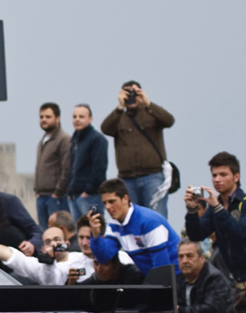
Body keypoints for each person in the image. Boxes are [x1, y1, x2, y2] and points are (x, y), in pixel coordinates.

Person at [100, 81, 175, 218]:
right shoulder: (119, 117)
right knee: (131, 218)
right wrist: (120, 107)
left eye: (134, 92)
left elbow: (169, 120)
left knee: (156, 217)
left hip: (153, 176)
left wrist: (147, 103)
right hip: (127, 179)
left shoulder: (151, 113)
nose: (131, 96)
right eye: (127, 93)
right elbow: (105, 128)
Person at [184, 152, 246, 299]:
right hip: (236, 283)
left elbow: (239, 234)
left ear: (236, 177)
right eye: (214, 175)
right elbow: (196, 235)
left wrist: (218, 207)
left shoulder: (243, 203)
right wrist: (192, 210)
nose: (217, 179)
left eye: (223, 174)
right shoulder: (214, 208)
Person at [88, 178, 179, 274]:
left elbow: (161, 267)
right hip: (155, 276)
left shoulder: (149, 222)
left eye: (112, 201)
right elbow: (104, 257)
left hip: (177, 275)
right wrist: (95, 236)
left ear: (125, 199)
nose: (107, 207)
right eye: (104, 203)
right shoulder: (114, 225)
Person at [0, 226, 72, 285]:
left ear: (67, 243)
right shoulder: (38, 266)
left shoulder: (80, 257)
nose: (53, 244)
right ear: (42, 249)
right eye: (48, 242)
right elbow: (7, 253)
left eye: (57, 239)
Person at [33, 102, 71, 230]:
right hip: (41, 196)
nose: (44, 120)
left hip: (55, 197)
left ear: (57, 118)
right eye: (41, 117)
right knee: (45, 234)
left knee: (58, 231)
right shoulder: (43, 140)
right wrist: (37, 191)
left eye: (48, 117)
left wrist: (58, 192)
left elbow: (67, 168)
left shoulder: (64, 139)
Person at [67, 103, 108, 218]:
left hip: (90, 196)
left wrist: (88, 191)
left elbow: (99, 168)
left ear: (90, 119)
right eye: (74, 117)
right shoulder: (75, 140)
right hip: (74, 195)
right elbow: (72, 167)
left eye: (81, 117)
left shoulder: (97, 139)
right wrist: (69, 190)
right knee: (78, 228)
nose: (77, 120)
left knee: (93, 226)